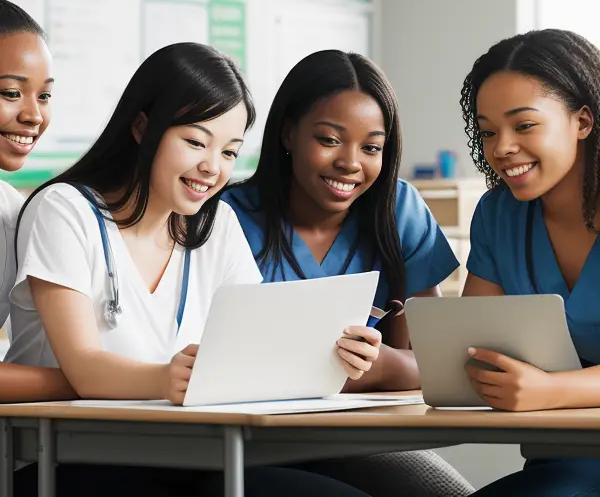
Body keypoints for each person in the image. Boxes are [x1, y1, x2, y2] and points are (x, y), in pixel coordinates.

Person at [9, 41, 374, 497]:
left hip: (188, 455)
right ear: (143, 127)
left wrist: (332, 356)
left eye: (229, 152)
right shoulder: (66, 210)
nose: (212, 168)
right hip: (72, 462)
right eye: (196, 142)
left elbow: (259, 349)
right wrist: (165, 377)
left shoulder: (217, 224)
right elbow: (84, 367)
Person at [222, 49, 474, 497]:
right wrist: (379, 370)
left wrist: (378, 367)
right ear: (287, 132)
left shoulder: (398, 209)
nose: (351, 163)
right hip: (253, 441)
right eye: (330, 139)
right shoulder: (227, 220)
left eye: (372, 147)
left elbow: (437, 362)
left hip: (363, 438)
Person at [460, 28, 600, 496]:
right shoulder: (499, 215)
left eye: (523, 126)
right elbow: (470, 347)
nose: (501, 148)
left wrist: (552, 390)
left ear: (583, 121)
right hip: (561, 459)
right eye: (488, 132)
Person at [0, 0, 76, 403]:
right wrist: (93, 377)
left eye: (44, 97)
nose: (33, 115)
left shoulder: (13, 212)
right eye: (11, 92)